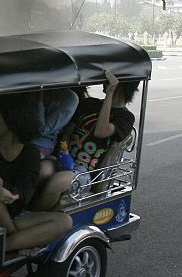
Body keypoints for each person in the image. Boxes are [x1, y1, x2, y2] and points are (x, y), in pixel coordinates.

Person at [0, 96, 72, 254]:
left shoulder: (30, 154)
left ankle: (2, 246)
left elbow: (21, 197)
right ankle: (17, 241)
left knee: (64, 221)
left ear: (12, 121)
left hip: (13, 214)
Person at [31, 71, 138, 210]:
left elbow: (101, 131)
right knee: (39, 172)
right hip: (64, 158)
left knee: (56, 183)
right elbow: (68, 132)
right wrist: (64, 153)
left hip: (85, 171)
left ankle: (36, 219)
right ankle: (22, 212)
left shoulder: (125, 117)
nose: (104, 83)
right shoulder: (89, 104)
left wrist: (110, 94)